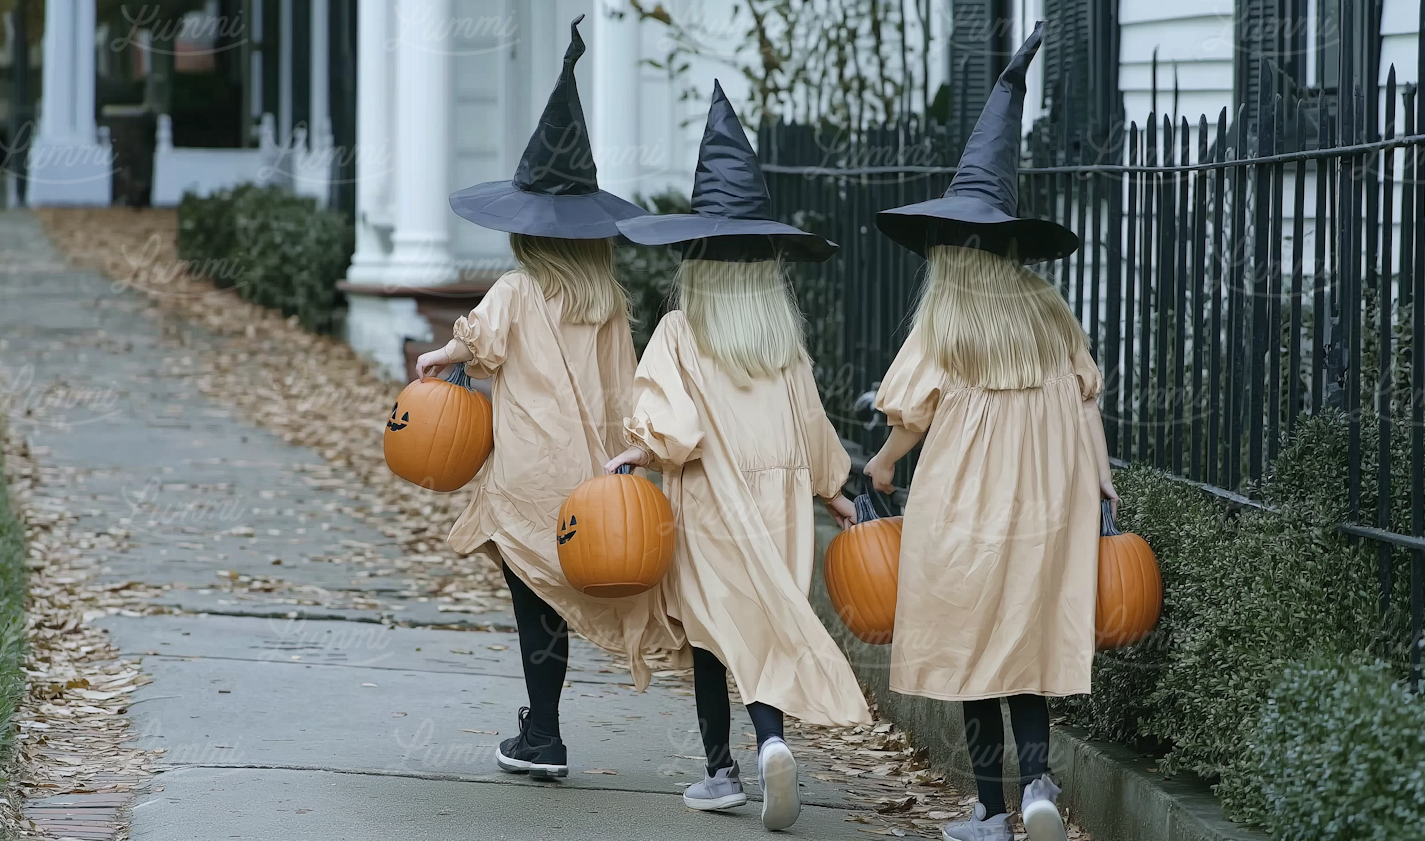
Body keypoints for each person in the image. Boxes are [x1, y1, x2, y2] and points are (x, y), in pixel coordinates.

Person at [862, 24, 1114, 841]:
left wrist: (885, 465)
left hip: (966, 512)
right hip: (1049, 503)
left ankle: (988, 811)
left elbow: (909, 413)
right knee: (1026, 650)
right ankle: (1040, 785)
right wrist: (1103, 485)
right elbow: (1085, 404)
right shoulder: (1050, 312)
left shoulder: (945, 319)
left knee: (973, 653)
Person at [414, 16, 682, 781]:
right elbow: (631, 388)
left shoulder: (517, 288)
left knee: (534, 602)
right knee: (572, 588)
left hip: (527, 475)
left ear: (528, 227)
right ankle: (545, 728)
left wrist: (436, 356)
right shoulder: (607, 299)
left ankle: (545, 733)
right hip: (594, 481)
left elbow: (473, 343)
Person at [604, 80, 871, 832]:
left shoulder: (682, 330)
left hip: (712, 502)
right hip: (781, 501)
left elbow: (675, 430)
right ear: (764, 262)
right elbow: (813, 425)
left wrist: (635, 451)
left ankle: (722, 769)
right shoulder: (782, 341)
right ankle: (774, 741)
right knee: (769, 621)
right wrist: (832, 491)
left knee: (712, 632)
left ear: (697, 257)